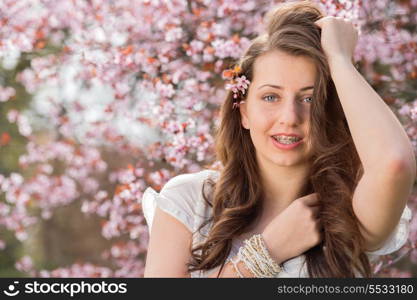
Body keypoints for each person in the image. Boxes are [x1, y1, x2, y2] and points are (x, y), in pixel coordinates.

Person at [142, 0, 415, 278]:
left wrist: (340, 60)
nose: (289, 117)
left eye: (310, 99)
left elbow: (393, 163)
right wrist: (267, 252)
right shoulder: (191, 201)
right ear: (244, 112)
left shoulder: (350, 213)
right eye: (271, 97)